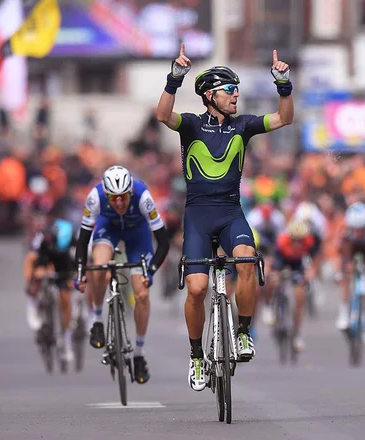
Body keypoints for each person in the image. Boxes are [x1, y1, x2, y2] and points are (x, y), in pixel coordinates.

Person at [155, 42, 294, 391]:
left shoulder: (243, 125)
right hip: (199, 217)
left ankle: (244, 332)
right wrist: (175, 79)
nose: (236, 96)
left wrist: (284, 84)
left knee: (247, 261)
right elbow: (162, 116)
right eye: (230, 90)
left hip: (232, 213)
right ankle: (197, 357)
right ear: (210, 96)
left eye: (237, 90)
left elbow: (284, 118)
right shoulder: (189, 125)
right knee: (198, 288)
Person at [74, 165, 170, 384]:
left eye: (123, 197)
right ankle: (97, 320)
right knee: (99, 267)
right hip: (108, 229)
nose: (119, 203)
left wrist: (151, 270)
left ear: (130, 193)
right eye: (114, 198)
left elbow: (163, 243)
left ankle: (139, 354)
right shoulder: (95, 198)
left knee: (142, 295)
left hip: (138, 235)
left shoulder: (143, 197)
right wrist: (80, 272)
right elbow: (82, 241)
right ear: (106, 194)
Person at [23, 200, 76, 361]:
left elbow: (78, 262)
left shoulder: (71, 237)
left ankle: (66, 341)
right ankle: (32, 302)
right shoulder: (43, 236)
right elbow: (32, 258)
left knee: (66, 299)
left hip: (64, 262)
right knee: (36, 271)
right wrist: (34, 278)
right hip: (45, 257)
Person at [336, 202, 365, 345]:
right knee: (346, 274)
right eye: (355, 229)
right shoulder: (345, 230)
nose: (358, 232)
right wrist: (344, 268)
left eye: (361, 229)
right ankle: (344, 311)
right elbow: (343, 253)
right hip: (350, 250)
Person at [270, 220, 318, 352]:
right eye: (294, 240)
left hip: (298, 264)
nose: (297, 243)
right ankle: (274, 307)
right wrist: (275, 275)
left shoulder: (309, 242)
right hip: (282, 261)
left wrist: (311, 271)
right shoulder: (281, 242)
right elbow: (274, 263)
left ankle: (297, 333)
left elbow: (313, 260)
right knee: (274, 281)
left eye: (300, 240)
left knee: (299, 297)